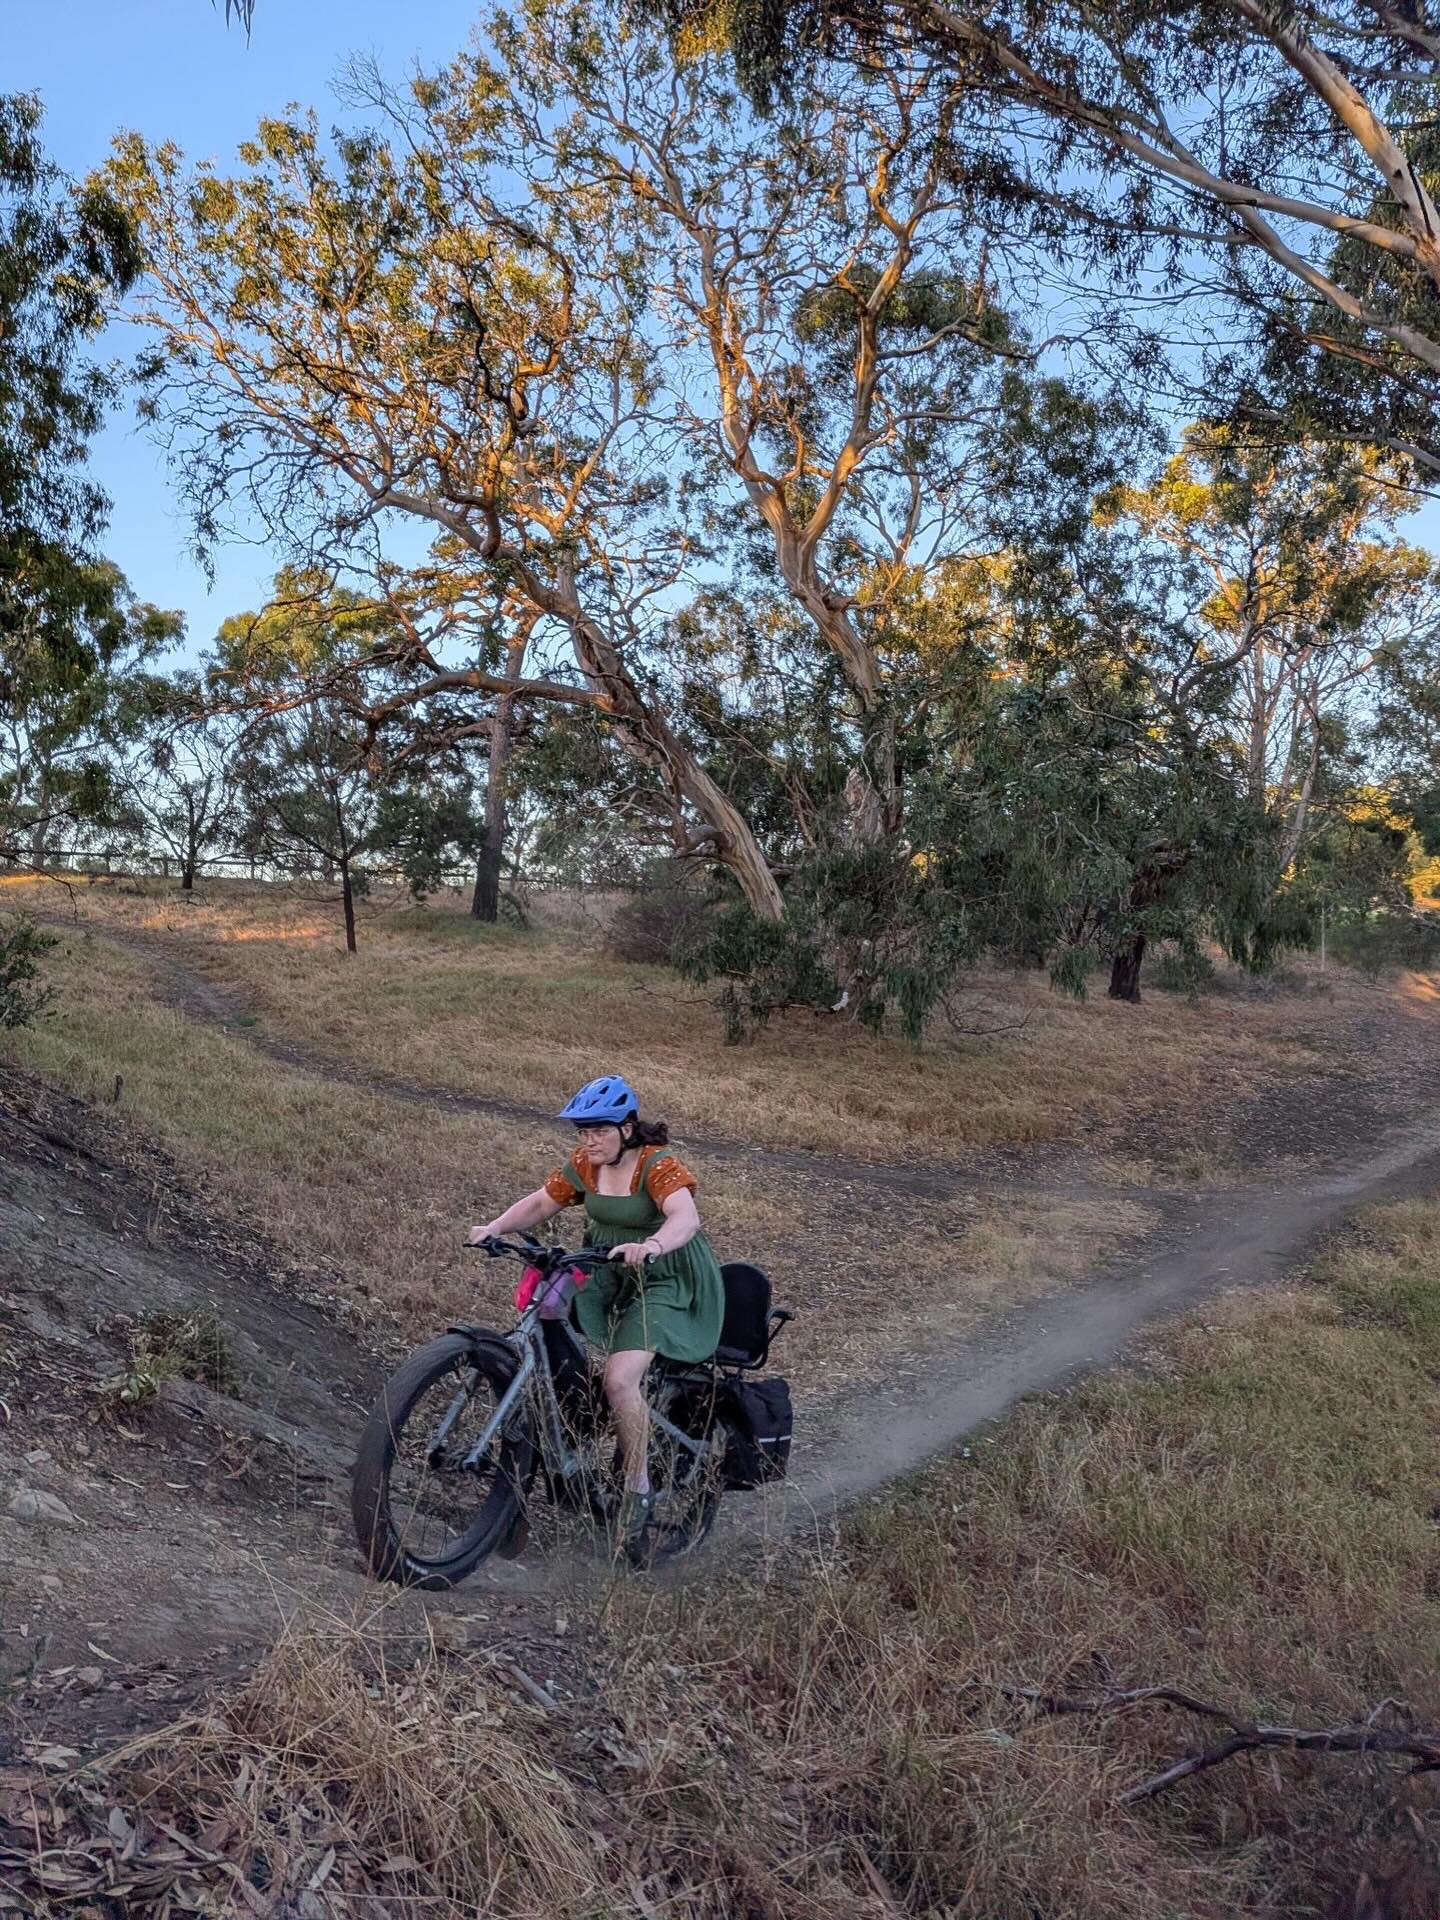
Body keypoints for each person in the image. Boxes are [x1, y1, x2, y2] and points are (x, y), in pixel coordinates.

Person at [469, 1074, 724, 1542]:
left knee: (620, 1379)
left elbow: (685, 1217)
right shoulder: (586, 1165)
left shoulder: (656, 1164)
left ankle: (637, 1488)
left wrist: (651, 1244)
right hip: (606, 1271)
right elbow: (543, 1202)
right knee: (545, 1319)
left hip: (664, 1279)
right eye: (584, 1133)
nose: (590, 1141)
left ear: (627, 1128)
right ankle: (565, 1437)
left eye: (600, 1131)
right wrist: (495, 1227)